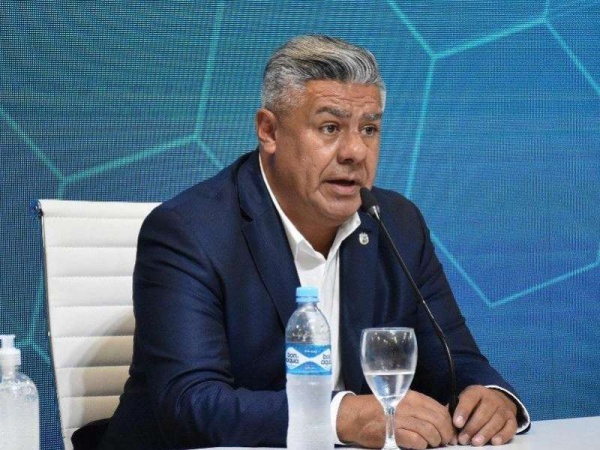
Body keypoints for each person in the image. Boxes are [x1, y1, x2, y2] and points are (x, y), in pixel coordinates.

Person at [98, 35, 529, 450]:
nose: (355, 152)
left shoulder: (397, 224)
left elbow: (456, 360)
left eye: (369, 129)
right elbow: (191, 405)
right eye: (330, 127)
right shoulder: (189, 232)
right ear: (269, 131)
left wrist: (489, 396)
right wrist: (339, 416)